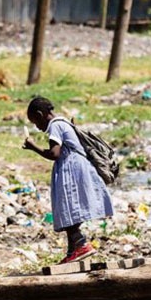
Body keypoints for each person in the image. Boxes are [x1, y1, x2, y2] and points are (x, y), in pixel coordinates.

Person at [22, 96, 114, 264]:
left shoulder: (55, 126)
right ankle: (73, 251)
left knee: (68, 207)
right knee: (70, 210)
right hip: (75, 167)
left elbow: (54, 154)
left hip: (71, 169)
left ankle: (81, 245)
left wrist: (32, 146)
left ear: (40, 114)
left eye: (35, 122)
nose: (37, 126)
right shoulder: (63, 123)